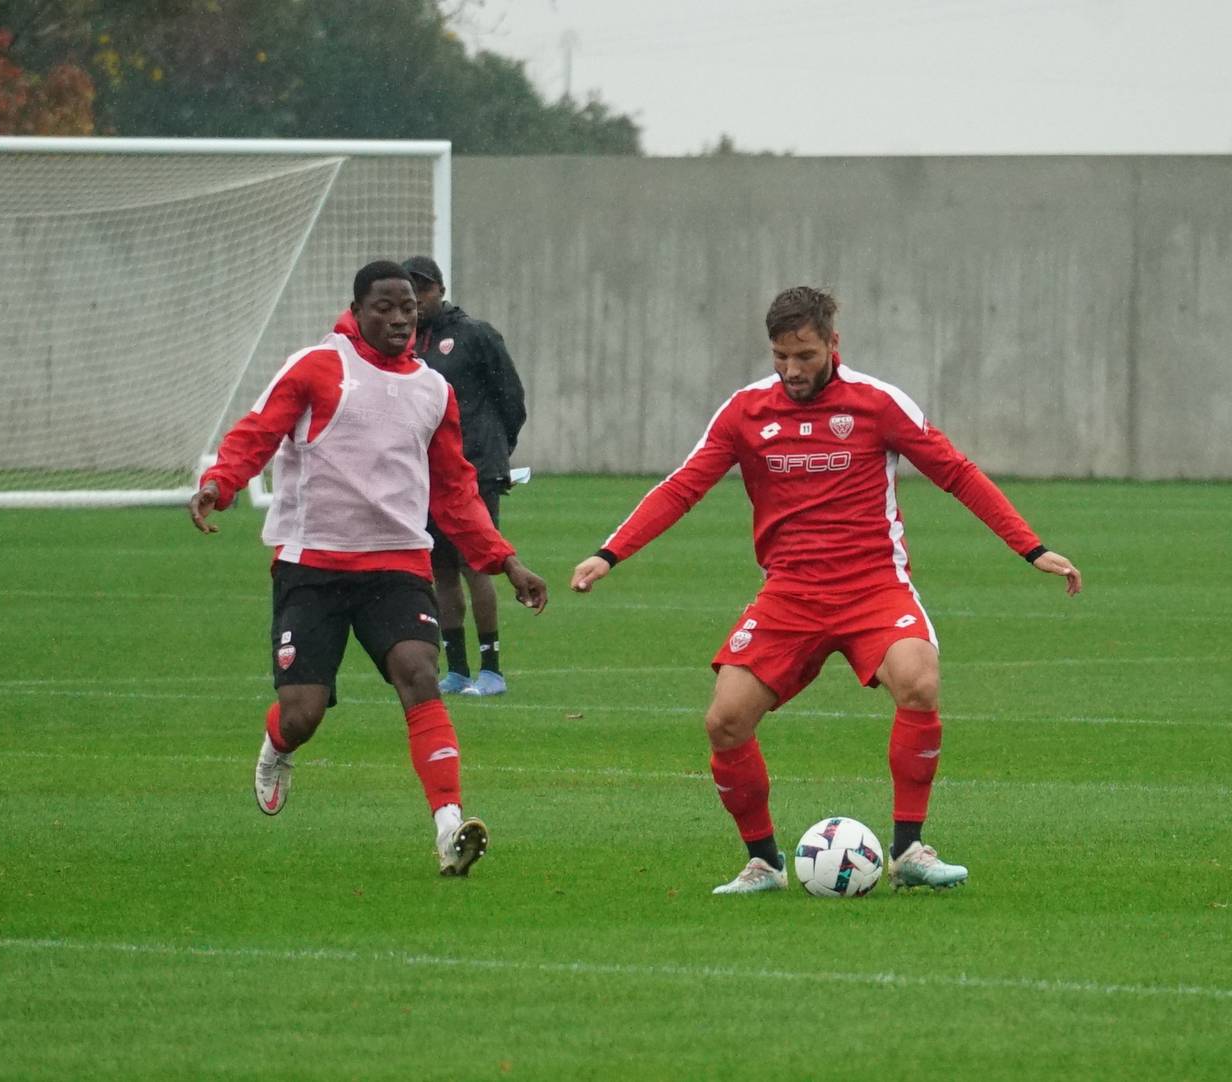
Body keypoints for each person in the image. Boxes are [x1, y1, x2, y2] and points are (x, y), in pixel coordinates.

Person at [569, 286, 1082, 895]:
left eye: (806, 355)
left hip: (873, 587)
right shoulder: (744, 412)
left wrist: (1030, 546)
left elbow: (956, 472)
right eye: (781, 356)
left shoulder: (877, 403)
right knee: (725, 721)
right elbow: (683, 487)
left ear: (833, 344)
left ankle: (910, 851)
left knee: (918, 681)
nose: (792, 371)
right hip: (789, 594)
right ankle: (763, 862)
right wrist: (610, 553)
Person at [188, 260, 549, 877]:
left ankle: (448, 826)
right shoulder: (317, 367)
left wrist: (505, 561)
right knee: (303, 712)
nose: (399, 318)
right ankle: (278, 745)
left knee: (419, 674)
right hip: (313, 565)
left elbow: (456, 490)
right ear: (356, 311)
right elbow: (259, 431)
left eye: (408, 307)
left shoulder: (433, 389)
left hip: (397, 564)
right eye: (384, 307)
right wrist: (219, 483)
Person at [403, 255, 528, 697]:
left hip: (476, 468)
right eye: (409, 290)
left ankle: (491, 669)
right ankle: (456, 669)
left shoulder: (474, 335)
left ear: (440, 289)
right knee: (441, 571)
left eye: (424, 289)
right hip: (427, 472)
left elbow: (511, 398)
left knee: (479, 564)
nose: (416, 300)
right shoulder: (407, 342)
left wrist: (496, 454)